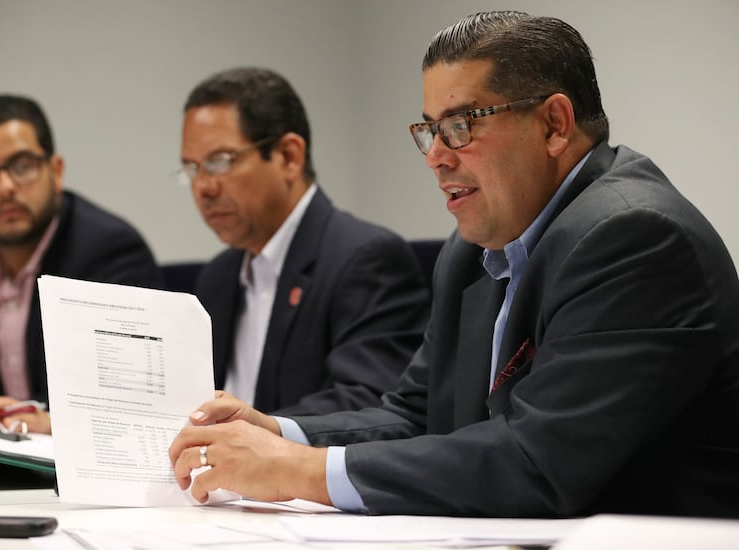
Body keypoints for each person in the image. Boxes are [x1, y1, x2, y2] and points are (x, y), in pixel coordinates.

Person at [169, 12, 739, 519]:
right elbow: (417, 414)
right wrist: (277, 431)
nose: (438, 156)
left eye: (463, 125)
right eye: (430, 130)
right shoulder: (473, 251)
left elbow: (540, 462)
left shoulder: (634, 237)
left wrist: (298, 470)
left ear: (554, 124)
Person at [180, 67, 431, 415]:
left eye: (220, 162)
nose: (204, 188)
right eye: (192, 169)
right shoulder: (218, 277)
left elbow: (368, 402)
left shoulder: (367, 259)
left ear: (288, 157)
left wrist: (251, 438)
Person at [0, 94, 163, 434]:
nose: (5, 187)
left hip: (80, 473)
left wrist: (44, 421)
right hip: (2, 470)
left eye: (22, 166)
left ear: (55, 171)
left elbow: (130, 404)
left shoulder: (109, 251)